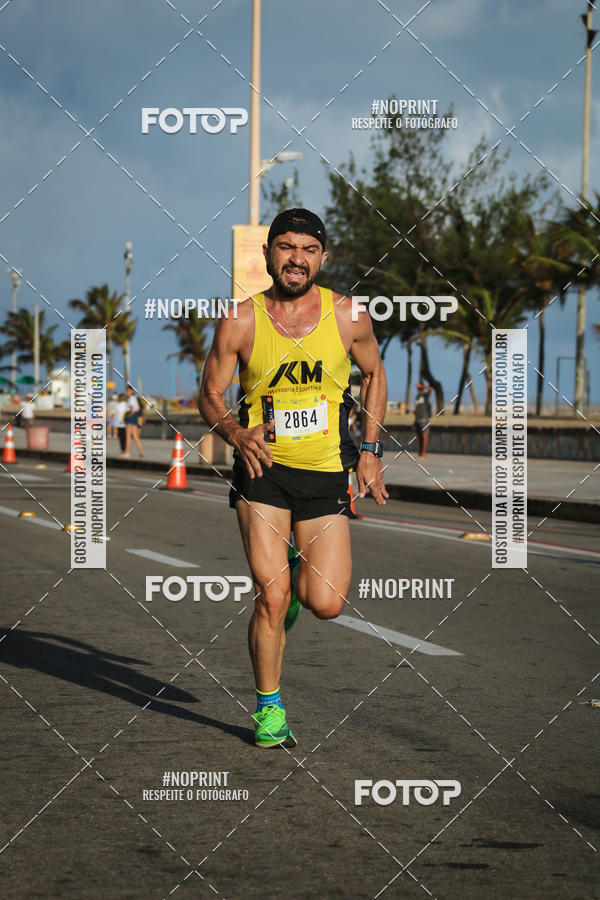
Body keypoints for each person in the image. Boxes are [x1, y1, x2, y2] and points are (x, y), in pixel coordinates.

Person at [199, 208, 388, 749]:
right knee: (271, 597)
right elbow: (209, 393)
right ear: (268, 255)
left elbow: (374, 373)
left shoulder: (348, 315)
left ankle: (298, 580)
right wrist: (236, 434)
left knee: (325, 601)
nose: (297, 259)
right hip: (264, 472)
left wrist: (371, 450)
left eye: (308, 249)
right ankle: (269, 710)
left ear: (323, 258)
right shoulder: (240, 320)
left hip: (327, 469)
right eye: (286, 247)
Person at [121, 385, 144, 459]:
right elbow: (138, 408)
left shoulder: (131, 398)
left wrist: (128, 415)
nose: (127, 392)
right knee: (135, 436)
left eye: (128, 391)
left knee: (128, 436)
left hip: (130, 418)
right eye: (126, 391)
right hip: (135, 418)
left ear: (132, 391)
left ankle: (127, 453)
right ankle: (141, 451)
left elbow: (132, 409)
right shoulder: (135, 398)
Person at [414, 383, 433, 458]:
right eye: (418, 389)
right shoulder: (417, 397)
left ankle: (423, 454)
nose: (419, 390)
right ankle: (419, 454)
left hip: (424, 419)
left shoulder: (425, 396)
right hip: (418, 419)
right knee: (419, 437)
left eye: (420, 389)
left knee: (424, 436)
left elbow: (430, 388)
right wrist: (414, 421)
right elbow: (417, 410)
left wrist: (422, 386)